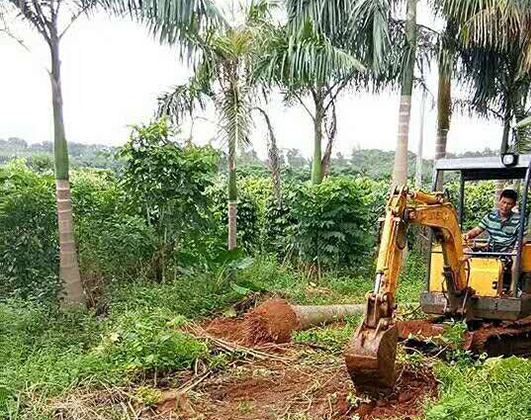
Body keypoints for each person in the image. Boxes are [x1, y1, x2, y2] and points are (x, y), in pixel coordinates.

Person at [463, 189, 520, 255]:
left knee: (516, 256)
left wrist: (515, 251)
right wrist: (468, 235)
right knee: (465, 251)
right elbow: (476, 230)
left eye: (509, 204)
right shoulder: (490, 217)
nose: (505, 206)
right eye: (503, 202)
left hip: (508, 253)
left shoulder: (519, 220)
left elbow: (521, 240)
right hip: (491, 250)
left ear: (514, 205)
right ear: (499, 201)